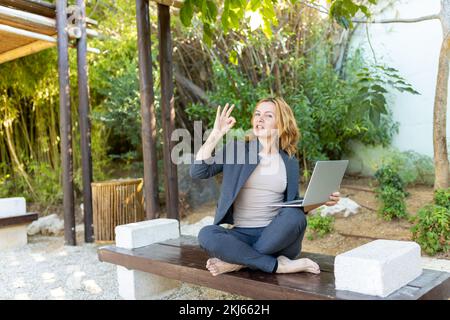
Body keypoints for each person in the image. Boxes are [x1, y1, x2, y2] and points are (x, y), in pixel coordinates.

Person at [190, 97, 340, 276]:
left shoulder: (289, 161)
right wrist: (216, 133)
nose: (260, 119)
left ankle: (239, 263)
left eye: (268, 115)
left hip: (275, 236)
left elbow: (292, 204)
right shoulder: (237, 150)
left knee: (295, 216)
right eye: (257, 114)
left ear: (281, 123)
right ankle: (278, 265)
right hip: (241, 235)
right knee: (207, 234)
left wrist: (321, 199)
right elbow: (198, 171)